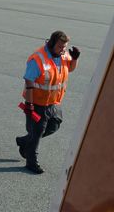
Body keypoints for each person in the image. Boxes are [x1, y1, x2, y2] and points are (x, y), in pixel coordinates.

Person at [16, 30, 80, 174]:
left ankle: (25, 141)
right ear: (51, 44)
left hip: (53, 102)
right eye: (60, 47)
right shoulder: (38, 59)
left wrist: (75, 59)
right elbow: (29, 80)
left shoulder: (63, 54)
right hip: (37, 103)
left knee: (54, 126)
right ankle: (31, 162)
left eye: (65, 47)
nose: (63, 50)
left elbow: (70, 69)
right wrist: (30, 105)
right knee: (37, 132)